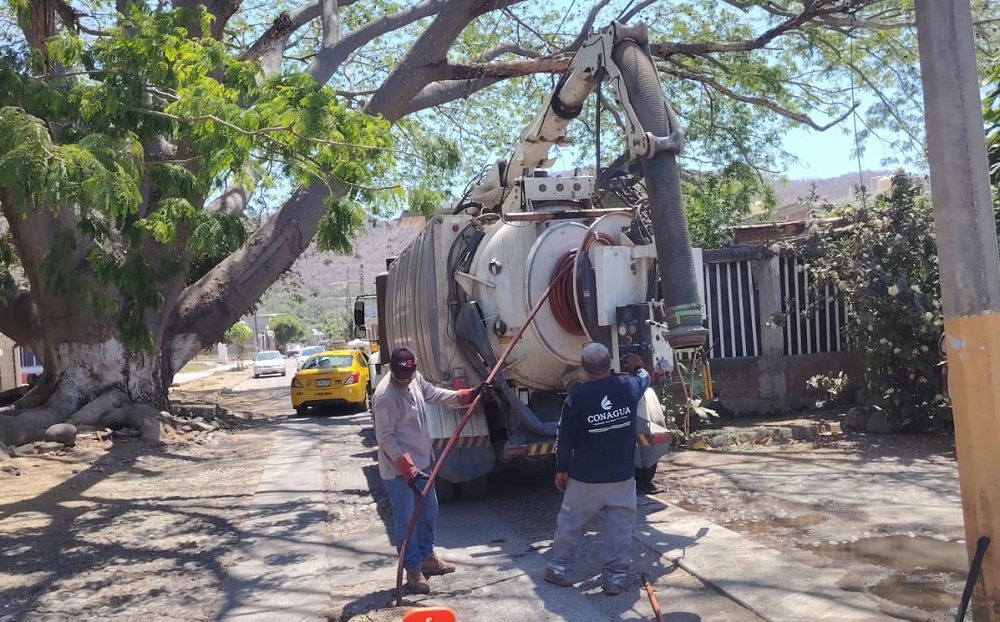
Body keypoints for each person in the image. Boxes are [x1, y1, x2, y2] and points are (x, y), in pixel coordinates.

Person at [372, 346, 481, 594]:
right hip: (398, 472)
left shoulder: (415, 378)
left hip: (422, 464)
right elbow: (385, 438)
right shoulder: (384, 396)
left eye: (408, 374)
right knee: (406, 520)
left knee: (429, 511)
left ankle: (426, 557)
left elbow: (432, 395)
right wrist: (405, 465)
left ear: (415, 367)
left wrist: (463, 395)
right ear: (392, 370)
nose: (405, 379)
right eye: (400, 375)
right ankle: (412, 569)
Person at [545, 343, 650, 596]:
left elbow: (565, 437)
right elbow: (644, 378)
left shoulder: (576, 399)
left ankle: (559, 568)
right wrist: (638, 367)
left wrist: (561, 469)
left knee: (571, 523)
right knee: (620, 529)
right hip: (622, 478)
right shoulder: (628, 388)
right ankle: (614, 578)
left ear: (584, 368)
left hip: (586, 479)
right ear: (609, 363)